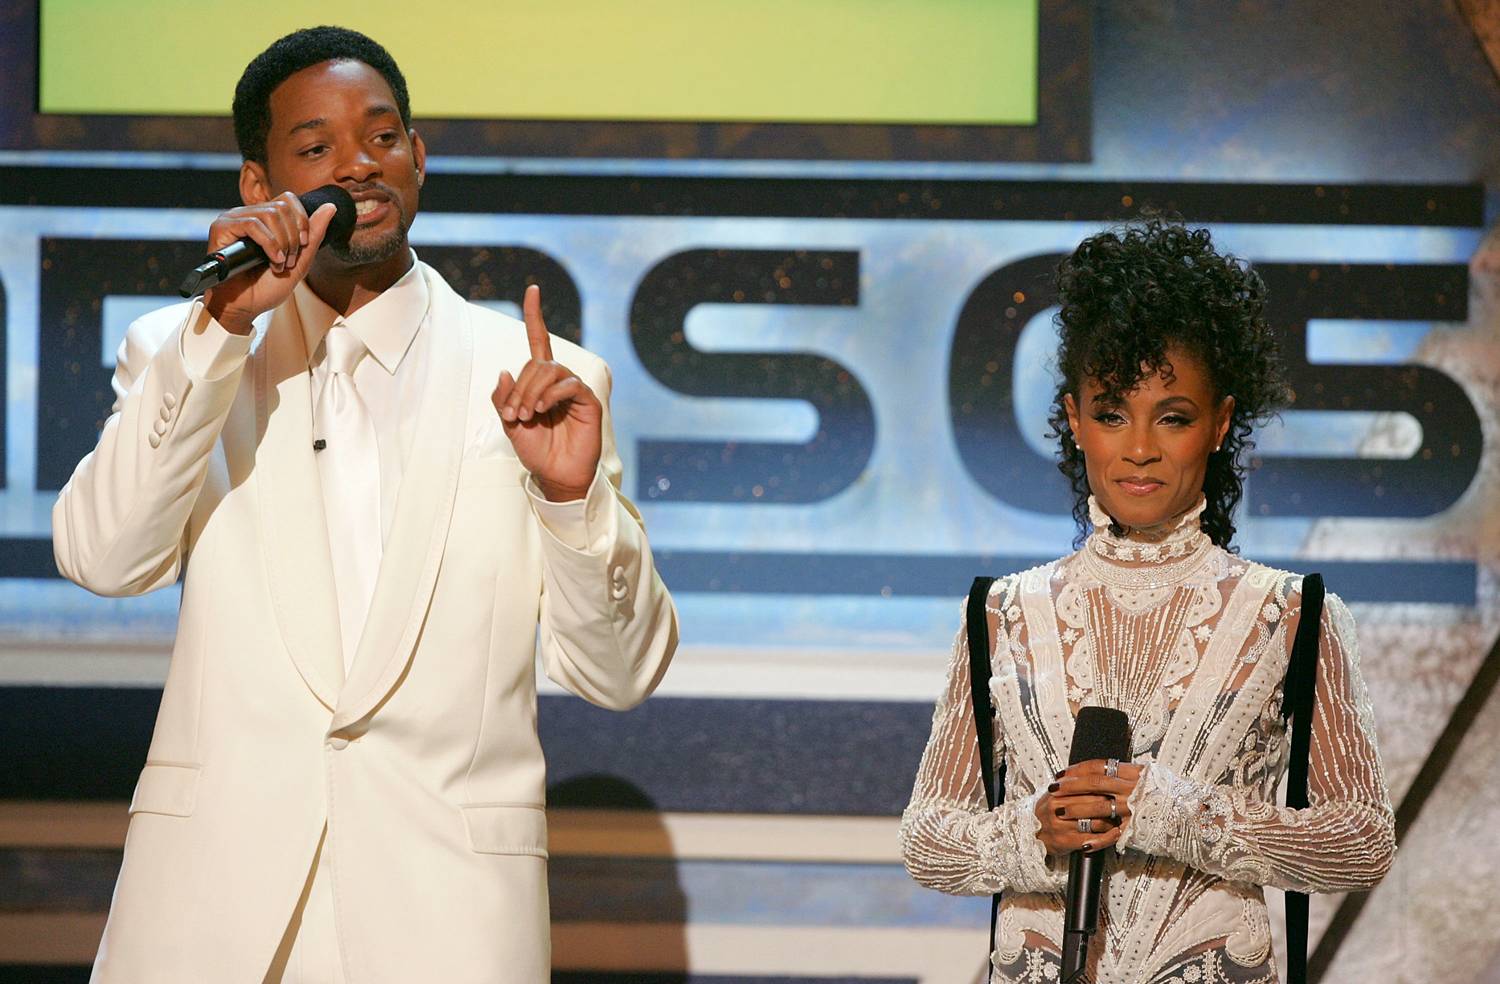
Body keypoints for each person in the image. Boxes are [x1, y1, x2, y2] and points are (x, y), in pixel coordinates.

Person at [52, 26, 678, 984]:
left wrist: (570, 500)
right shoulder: (186, 350)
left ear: (419, 158)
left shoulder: (540, 378)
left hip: (449, 928)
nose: (359, 166)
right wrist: (220, 330)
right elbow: (103, 558)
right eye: (317, 149)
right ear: (259, 188)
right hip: (210, 924)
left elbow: (621, 674)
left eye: (384, 138)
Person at [900, 220, 1394, 984]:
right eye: (1111, 413)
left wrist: (1181, 815)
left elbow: (1361, 841)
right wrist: (1034, 832)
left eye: (1173, 416)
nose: (1138, 447)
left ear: (1220, 424)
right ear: (1073, 420)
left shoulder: (1290, 614)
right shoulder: (1002, 613)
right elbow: (929, 839)